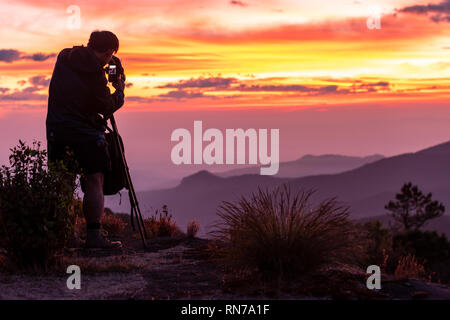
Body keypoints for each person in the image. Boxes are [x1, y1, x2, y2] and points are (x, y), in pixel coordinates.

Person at [46, 30, 125, 249]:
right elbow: (106, 107)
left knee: (63, 181)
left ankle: (64, 236)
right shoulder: (96, 75)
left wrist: (108, 64)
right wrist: (119, 90)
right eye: (110, 56)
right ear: (109, 51)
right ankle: (94, 238)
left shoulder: (64, 57)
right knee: (94, 180)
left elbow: (84, 75)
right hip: (85, 134)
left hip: (56, 129)